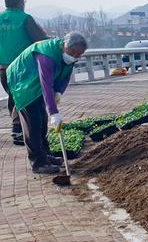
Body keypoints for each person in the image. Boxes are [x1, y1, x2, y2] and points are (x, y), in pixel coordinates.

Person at [6, 31, 88, 175]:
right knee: (33, 124)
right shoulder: (46, 56)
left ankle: (45, 155)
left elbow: (65, 76)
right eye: (73, 52)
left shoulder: (69, 57)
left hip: (36, 84)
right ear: (64, 45)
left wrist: (59, 92)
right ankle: (38, 163)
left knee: (42, 121)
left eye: (79, 54)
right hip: (23, 83)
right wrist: (54, 112)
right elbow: (46, 85)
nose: (75, 56)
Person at [0, 0, 48, 145]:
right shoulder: (25, 18)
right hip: (21, 65)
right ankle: (19, 130)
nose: (24, 4)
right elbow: (40, 40)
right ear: (19, 2)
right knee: (24, 97)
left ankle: (18, 130)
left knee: (13, 96)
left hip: (1, 65)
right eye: (24, 1)